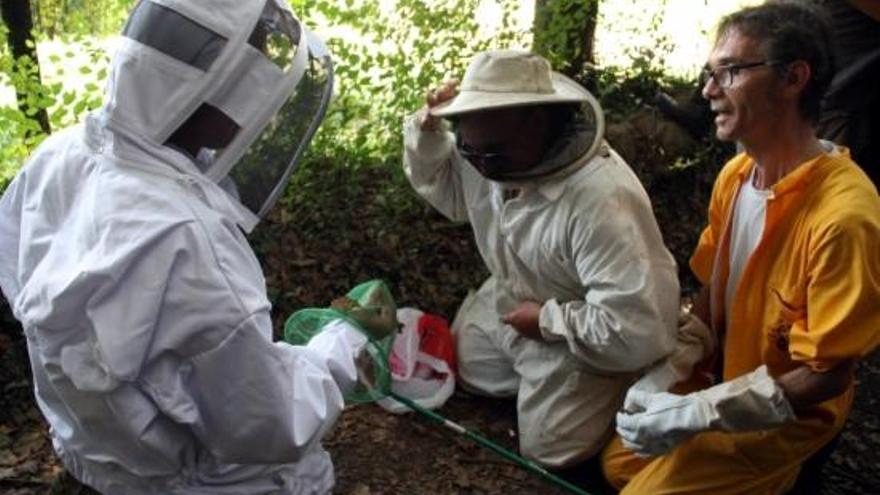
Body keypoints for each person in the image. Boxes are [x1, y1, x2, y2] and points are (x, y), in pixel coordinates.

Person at [0, 1, 390, 493]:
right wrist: (345, 339)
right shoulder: (185, 237)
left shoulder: (59, 157)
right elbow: (268, 422)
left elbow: (27, 294)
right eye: (255, 74)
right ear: (215, 90)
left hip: (91, 462)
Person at [604, 2, 880, 494]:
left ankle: (791, 474)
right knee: (621, 464)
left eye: (729, 72)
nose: (709, 91)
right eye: (710, 73)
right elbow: (714, 289)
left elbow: (829, 375)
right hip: (726, 380)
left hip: (788, 416)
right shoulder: (735, 175)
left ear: (794, 77)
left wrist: (702, 412)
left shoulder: (844, 216)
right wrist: (675, 371)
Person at [402, 49, 691, 476]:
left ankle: (635, 382)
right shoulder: (486, 151)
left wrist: (548, 323)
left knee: (549, 451)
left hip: (586, 327)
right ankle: (541, 382)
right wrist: (428, 128)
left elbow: (637, 326)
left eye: (492, 154)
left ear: (535, 122)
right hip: (514, 297)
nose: (480, 165)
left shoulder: (601, 199)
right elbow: (449, 191)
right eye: (470, 150)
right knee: (465, 364)